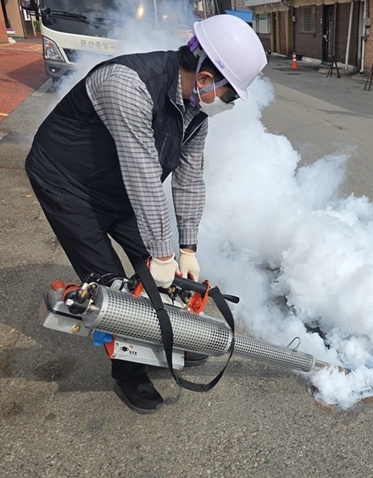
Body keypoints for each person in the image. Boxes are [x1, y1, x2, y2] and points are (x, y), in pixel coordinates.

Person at [25, 14, 267, 413]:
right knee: (113, 286)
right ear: (206, 78)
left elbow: (189, 180)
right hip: (67, 183)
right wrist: (163, 254)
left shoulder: (196, 113)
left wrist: (186, 249)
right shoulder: (128, 84)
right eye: (231, 95)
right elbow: (142, 174)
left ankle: (169, 336)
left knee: (162, 276)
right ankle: (129, 372)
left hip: (117, 186)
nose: (230, 104)